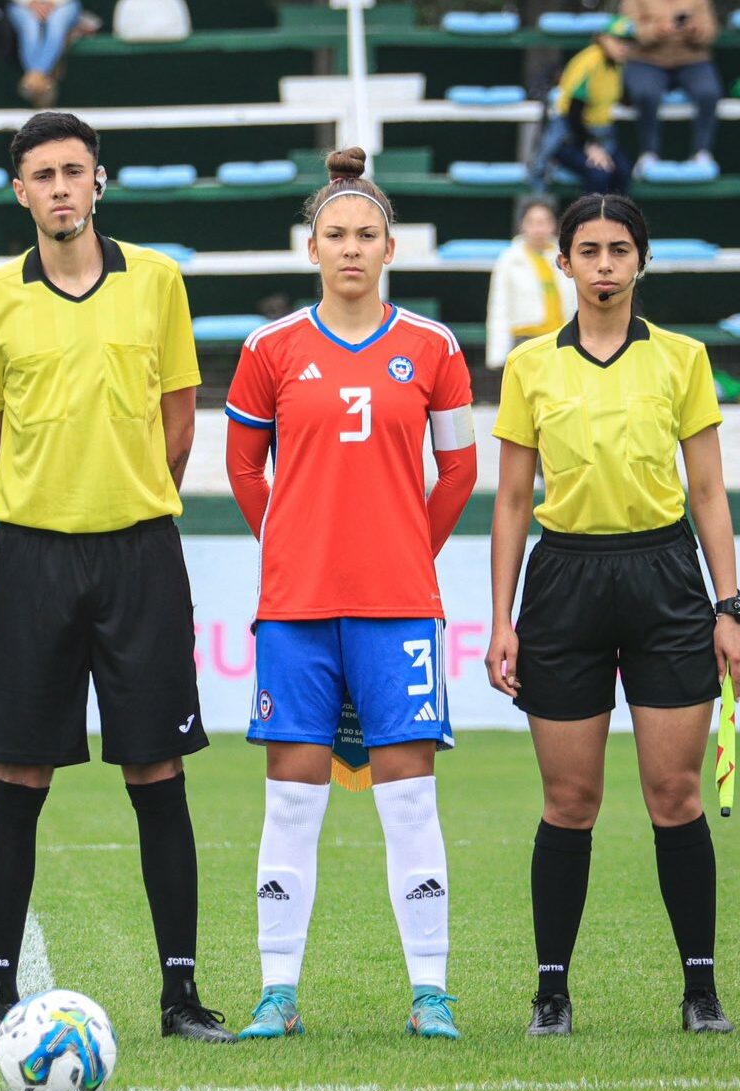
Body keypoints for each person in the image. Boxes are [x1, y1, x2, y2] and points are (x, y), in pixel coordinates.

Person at [0, 112, 236, 1046]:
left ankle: (181, 994)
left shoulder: (158, 280)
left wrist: (125, 496)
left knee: (157, 769)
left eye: (75, 171)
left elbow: (182, 416)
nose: (61, 188)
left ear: (99, 182)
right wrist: (46, 502)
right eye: (44, 175)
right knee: (18, 772)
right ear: (21, 192)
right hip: (33, 555)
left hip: (140, 553)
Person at [225, 147, 478, 1042]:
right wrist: (292, 544)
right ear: (311, 246)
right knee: (292, 797)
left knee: (409, 797)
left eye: (367, 234)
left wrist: (407, 546)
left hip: (398, 606)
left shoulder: (434, 348)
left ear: (389, 246)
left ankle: (432, 993)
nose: (351, 250)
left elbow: (458, 470)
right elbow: (242, 468)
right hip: (295, 611)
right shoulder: (271, 349)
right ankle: (278, 992)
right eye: (335, 234)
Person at [486, 193, 740, 1037]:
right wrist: (502, 620)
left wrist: (729, 606)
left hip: (665, 579)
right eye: (588, 250)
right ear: (562, 262)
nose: (604, 264)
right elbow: (514, 503)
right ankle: (551, 994)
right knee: (571, 800)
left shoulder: (683, 359)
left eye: (619, 250)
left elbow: (707, 491)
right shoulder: (530, 367)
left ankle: (700, 991)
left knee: (674, 795)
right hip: (563, 583)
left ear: (642, 261)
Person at [530, 19, 635, 196]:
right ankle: (589, 222)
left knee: (623, 171)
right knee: (600, 174)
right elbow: (573, 114)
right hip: (571, 136)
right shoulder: (588, 63)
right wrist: (591, 146)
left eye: (627, 42)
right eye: (618, 40)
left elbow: (622, 97)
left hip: (601, 134)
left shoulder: (617, 65)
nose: (624, 46)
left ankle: (617, 222)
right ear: (603, 39)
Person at [620, 0, 723, 169]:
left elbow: (710, 33)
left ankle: (702, 152)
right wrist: (657, 31)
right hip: (646, 60)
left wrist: (694, 30)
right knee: (645, 93)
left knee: (709, 92)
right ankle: (649, 153)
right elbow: (628, 31)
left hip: (692, 60)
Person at [485, 198, 576, 371]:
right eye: (532, 222)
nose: (538, 228)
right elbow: (499, 306)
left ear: (554, 225)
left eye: (544, 222)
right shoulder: (509, 259)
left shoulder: (566, 256)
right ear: (522, 225)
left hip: (561, 339)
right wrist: (497, 354)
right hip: (526, 341)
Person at [10, 1, 102, 108]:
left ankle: (34, 79)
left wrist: (52, 3)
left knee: (56, 25)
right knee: (31, 29)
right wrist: (31, 3)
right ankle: (41, 82)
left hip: (64, 4)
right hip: (23, 6)